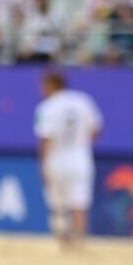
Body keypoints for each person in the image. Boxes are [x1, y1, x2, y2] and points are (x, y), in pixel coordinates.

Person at [35, 72, 103, 248]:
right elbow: (96, 129)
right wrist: (83, 143)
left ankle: (63, 240)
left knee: (58, 203)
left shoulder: (47, 106)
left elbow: (46, 138)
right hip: (80, 158)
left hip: (56, 158)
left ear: (51, 85)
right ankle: (79, 240)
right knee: (80, 202)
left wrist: (43, 163)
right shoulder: (83, 100)